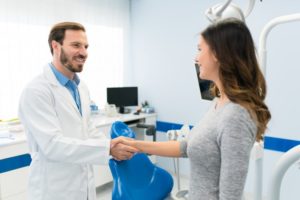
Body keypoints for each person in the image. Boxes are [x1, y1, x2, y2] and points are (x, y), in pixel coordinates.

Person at [117, 19, 271, 200]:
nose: (196, 58)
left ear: (218, 54)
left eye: (199, 49)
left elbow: (230, 195)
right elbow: (186, 147)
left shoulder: (235, 115)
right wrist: (136, 146)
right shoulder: (218, 102)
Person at [18, 22, 138, 200]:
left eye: (86, 46)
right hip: (53, 190)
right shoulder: (37, 90)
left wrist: (112, 146)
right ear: (55, 46)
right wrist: (108, 149)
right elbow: (52, 145)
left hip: (83, 186)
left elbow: (87, 129)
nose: (83, 52)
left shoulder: (80, 88)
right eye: (76, 45)